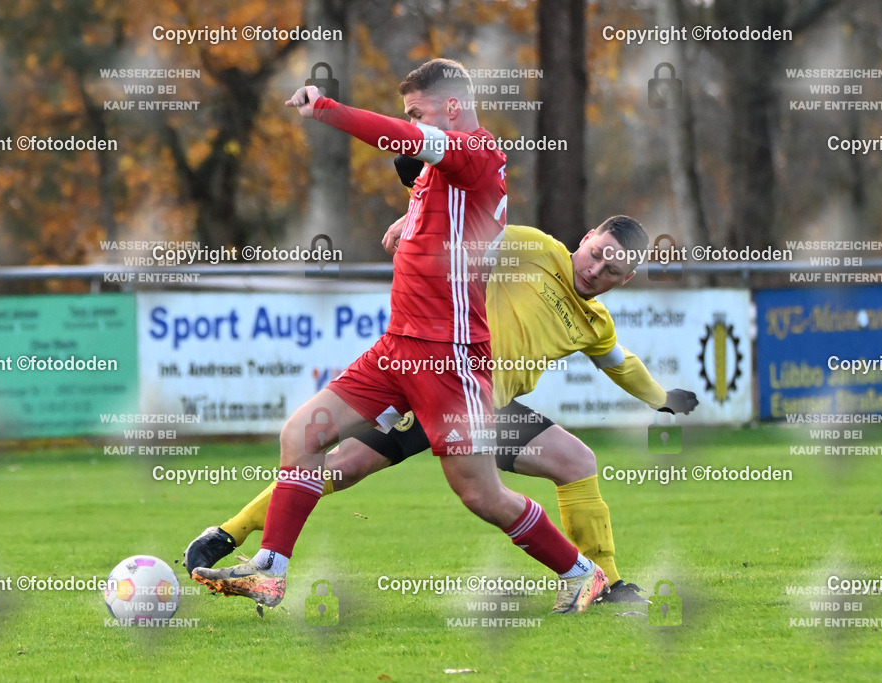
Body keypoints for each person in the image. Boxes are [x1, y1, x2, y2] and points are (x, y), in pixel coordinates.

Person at [191, 59, 608, 614]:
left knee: (481, 495)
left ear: (452, 108)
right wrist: (407, 223)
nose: (410, 125)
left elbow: (410, 141)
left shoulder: (476, 155)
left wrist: (329, 109)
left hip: (449, 357)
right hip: (398, 348)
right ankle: (271, 568)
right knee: (302, 434)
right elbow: (446, 217)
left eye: (418, 112)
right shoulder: (438, 177)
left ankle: (582, 574)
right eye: (409, 114)